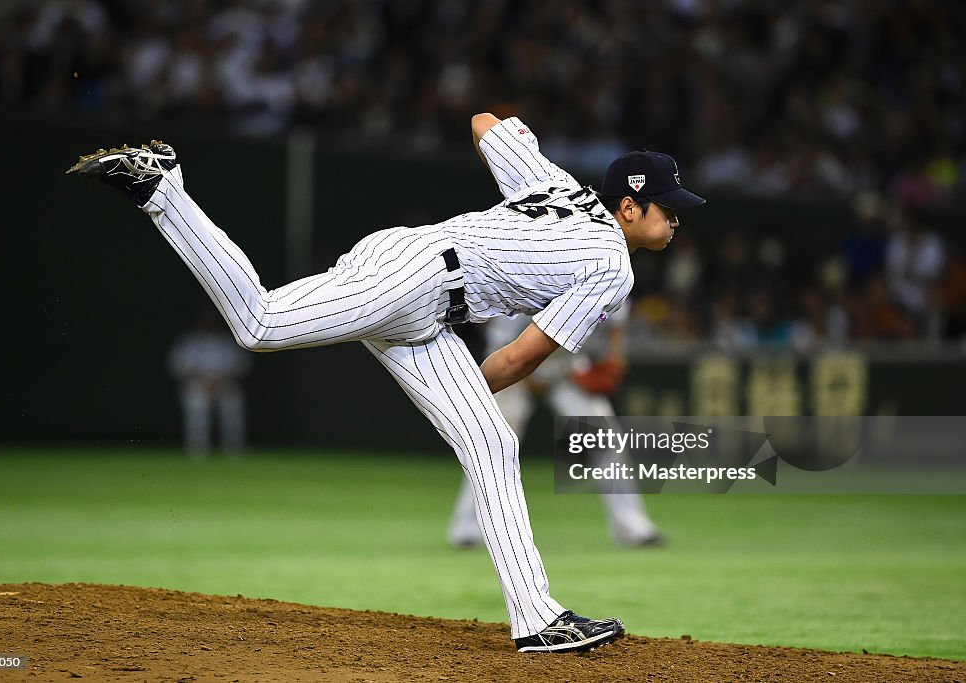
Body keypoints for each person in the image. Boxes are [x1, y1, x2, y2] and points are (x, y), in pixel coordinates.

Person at [66, 114, 705, 653]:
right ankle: (163, 188)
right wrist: (461, 392)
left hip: (427, 301)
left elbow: (485, 122)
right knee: (258, 322)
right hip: (416, 280)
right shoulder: (611, 264)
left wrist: (457, 399)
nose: (677, 220)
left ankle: (536, 620)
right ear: (629, 205)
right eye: (668, 208)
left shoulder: (554, 183)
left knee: (493, 448)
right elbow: (513, 363)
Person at [448, 304, 664, 549]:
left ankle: (634, 526)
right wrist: (529, 379)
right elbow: (504, 347)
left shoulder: (605, 272)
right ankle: (467, 529)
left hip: (566, 367)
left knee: (605, 439)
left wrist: (614, 359)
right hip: (514, 365)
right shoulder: (532, 277)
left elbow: (616, 321)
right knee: (493, 446)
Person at [169, 308, 252, 457]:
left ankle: (233, 450)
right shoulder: (189, 341)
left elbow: (242, 366)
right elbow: (177, 367)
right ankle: (197, 450)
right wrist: (201, 379)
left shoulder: (229, 340)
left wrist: (221, 380)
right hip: (198, 384)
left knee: (232, 401)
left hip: (225, 384)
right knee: (196, 403)